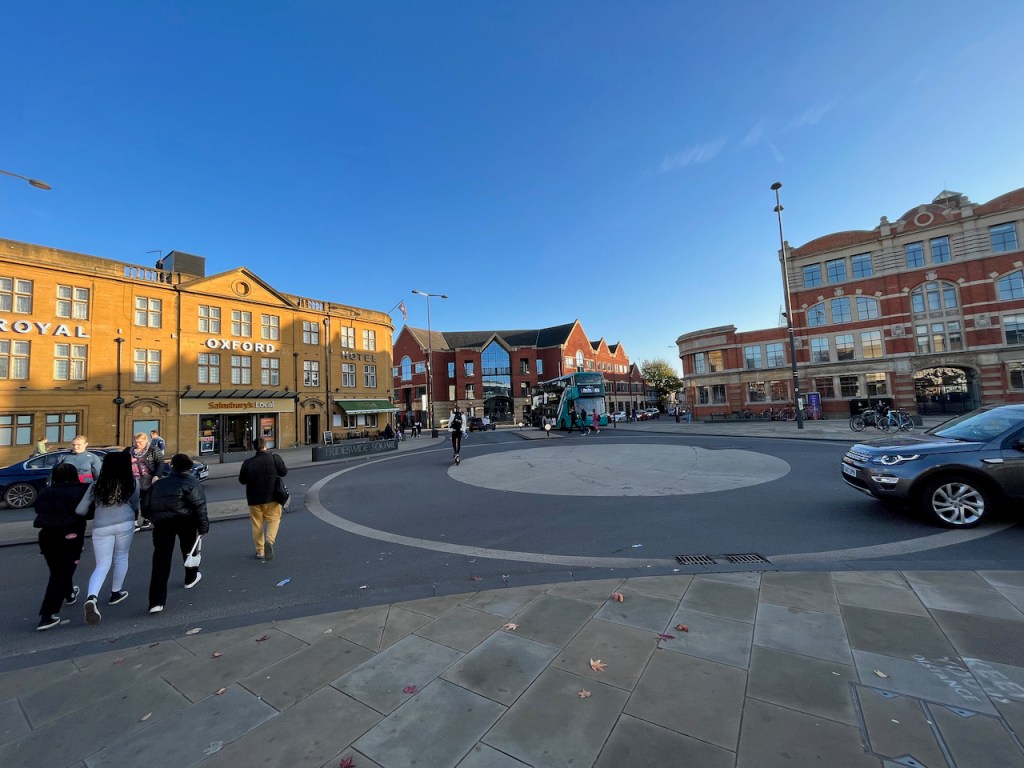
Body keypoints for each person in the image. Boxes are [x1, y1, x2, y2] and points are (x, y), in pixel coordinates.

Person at [75, 451, 140, 625]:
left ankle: (92, 597)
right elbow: (135, 503)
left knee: (102, 564)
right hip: (125, 522)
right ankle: (115, 592)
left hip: (101, 526)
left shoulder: (96, 485)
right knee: (121, 557)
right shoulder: (132, 482)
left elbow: (80, 510)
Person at [144, 454, 209, 614]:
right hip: (186, 522)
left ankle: (156, 601)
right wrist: (203, 527)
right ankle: (191, 577)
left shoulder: (159, 484)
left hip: (162, 524)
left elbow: (146, 506)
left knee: (160, 560)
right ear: (189, 467)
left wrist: (153, 518)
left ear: (172, 466)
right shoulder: (192, 483)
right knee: (190, 550)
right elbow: (200, 507)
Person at [33, 463, 89, 631]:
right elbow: (87, 511)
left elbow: (38, 509)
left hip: (47, 534)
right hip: (70, 533)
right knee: (62, 573)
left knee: (57, 569)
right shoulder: (80, 491)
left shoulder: (45, 492)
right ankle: (47, 615)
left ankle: (69, 593)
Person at [238, 437, 288, 561]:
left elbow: (242, 480)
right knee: (274, 519)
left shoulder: (248, 462)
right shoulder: (274, 458)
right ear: (266, 445)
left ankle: (260, 551)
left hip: (254, 499)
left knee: (257, 524)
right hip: (272, 497)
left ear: (254, 447)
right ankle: (269, 541)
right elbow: (283, 472)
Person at [128, 432, 161, 532]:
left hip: (147, 478)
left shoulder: (153, 449)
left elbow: (160, 463)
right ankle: (134, 522)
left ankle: (147, 519)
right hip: (133, 479)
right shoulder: (130, 451)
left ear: (146, 441)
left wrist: (157, 475)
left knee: (145, 501)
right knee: (133, 501)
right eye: (136, 442)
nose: (138, 444)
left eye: (140, 442)